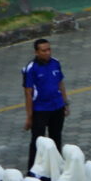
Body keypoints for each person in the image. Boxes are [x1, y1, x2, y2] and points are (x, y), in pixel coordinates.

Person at [22, 38, 67, 169]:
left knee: (56, 137)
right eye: (44, 50)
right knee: (37, 141)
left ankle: (57, 166)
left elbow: (61, 84)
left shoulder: (55, 63)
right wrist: (29, 117)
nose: (47, 53)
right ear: (36, 52)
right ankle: (32, 170)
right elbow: (28, 93)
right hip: (41, 110)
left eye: (49, 49)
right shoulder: (30, 69)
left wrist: (65, 103)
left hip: (57, 107)